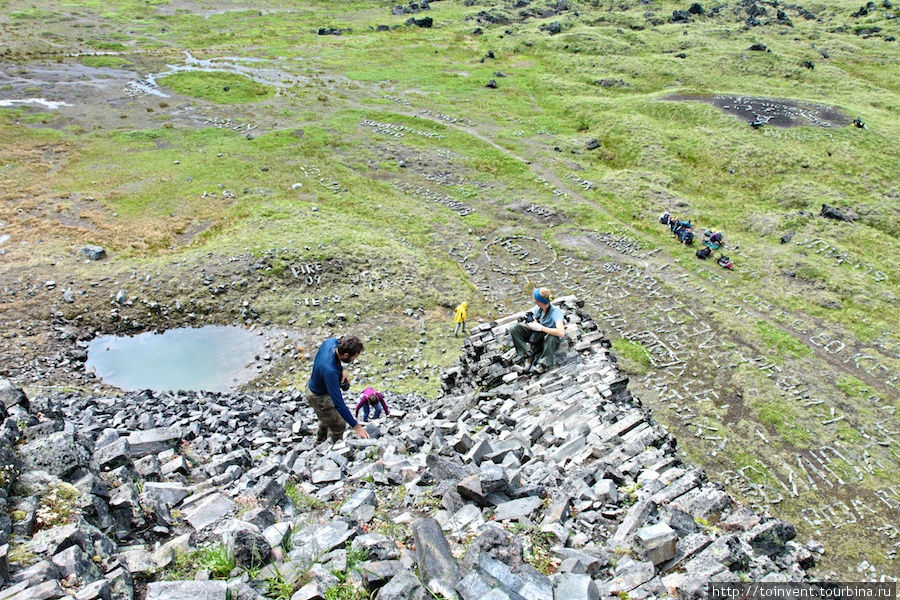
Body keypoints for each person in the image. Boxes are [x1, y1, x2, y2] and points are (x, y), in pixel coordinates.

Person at [306, 335, 369, 443]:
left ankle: (320, 440)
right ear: (345, 355)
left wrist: (341, 369)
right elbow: (338, 403)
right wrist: (356, 427)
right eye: (353, 357)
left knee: (327, 417)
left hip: (313, 386)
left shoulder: (331, 342)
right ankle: (333, 450)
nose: (354, 360)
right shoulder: (330, 371)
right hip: (319, 397)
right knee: (339, 425)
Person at [509, 287, 566, 374]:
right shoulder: (538, 309)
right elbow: (536, 322)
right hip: (538, 335)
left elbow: (561, 332)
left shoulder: (556, 312)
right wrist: (532, 323)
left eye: (535, 297)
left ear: (540, 301)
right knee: (515, 328)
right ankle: (527, 356)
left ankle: (543, 364)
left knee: (552, 337)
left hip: (549, 338)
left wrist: (542, 328)